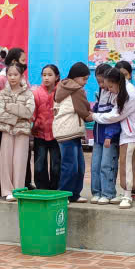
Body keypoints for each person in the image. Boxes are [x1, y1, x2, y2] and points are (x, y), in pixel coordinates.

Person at [0, 60, 35, 201]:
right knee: (5, 161)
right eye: (10, 74)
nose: (12, 77)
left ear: (21, 76)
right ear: (6, 76)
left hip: (22, 132)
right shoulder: (2, 94)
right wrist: (18, 116)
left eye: (15, 74)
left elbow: (28, 112)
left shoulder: (28, 94)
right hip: (7, 131)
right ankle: (7, 190)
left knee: (20, 161)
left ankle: (18, 190)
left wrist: (11, 108)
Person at [88, 65, 128, 206]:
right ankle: (96, 192)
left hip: (109, 139)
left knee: (107, 165)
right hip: (98, 137)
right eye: (98, 82)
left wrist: (109, 135)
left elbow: (115, 118)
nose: (101, 85)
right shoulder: (102, 92)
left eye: (102, 82)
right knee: (95, 165)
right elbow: (97, 111)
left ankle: (108, 193)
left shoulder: (116, 94)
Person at [54, 62, 92, 202]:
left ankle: (74, 194)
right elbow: (84, 109)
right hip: (69, 131)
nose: (85, 82)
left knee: (78, 166)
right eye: (84, 79)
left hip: (65, 130)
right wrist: (96, 116)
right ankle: (64, 195)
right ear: (76, 77)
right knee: (71, 166)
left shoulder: (63, 86)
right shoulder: (76, 89)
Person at [114, 61, 135, 204]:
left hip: (131, 133)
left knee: (128, 163)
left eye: (124, 75)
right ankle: (131, 191)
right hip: (131, 132)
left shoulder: (129, 91)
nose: (122, 78)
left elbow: (118, 114)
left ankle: (127, 194)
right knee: (131, 163)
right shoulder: (124, 90)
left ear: (130, 75)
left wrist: (95, 116)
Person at [32, 64, 60, 190]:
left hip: (57, 134)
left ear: (57, 77)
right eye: (44, 75)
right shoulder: (36, 93)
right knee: (39, 165)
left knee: (56, 165)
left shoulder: (61, 93)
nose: (46, 78)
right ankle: (42, 189)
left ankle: (55, 189)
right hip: (40, 133)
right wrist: (34, 125)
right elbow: (33, 113)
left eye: (50, 75)